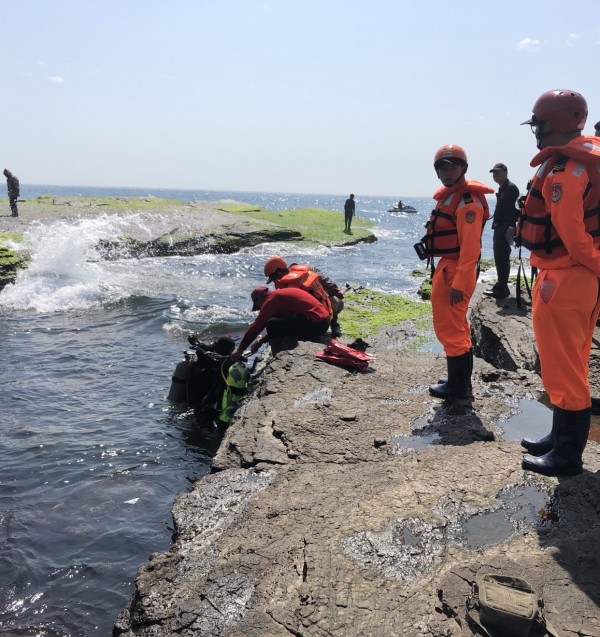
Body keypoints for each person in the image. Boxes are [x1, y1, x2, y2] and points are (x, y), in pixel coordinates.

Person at [518, 89, 600, 476]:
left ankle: (566, 456)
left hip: (567, 276)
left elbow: (572, 232)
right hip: (575, 276)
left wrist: (597, 267)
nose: (537, 132)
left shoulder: (567, 170)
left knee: (563, 364)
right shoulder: (574, 164)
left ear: (563, 123)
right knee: (571, 361)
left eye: (541, 125)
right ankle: (558, 438)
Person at [416, 144, 494, 399]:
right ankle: (457, 379)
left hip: (457, 269)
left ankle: (458, 386)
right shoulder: (451, 196)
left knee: (450, 327)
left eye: (452, 167)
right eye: (442, 168)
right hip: (447, 266)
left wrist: (460, 283)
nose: (446, 172)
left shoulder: (466, 202)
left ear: (463, 168)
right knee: (453, 324)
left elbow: (471, 249)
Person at [230, 286, 330, 361]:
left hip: (316, 323)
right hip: (323, 321)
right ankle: (290, 350)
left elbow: (257, 326)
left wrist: (240, 350)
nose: (260, 309)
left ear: (259, 299)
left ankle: (279, 359)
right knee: (278, 322)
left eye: (258, 306)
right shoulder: (280, 295)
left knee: (271, 324)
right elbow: (287, 323)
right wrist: (262, 340)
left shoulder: (271, 300)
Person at [263, 255, 345, 338]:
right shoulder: (295, 277)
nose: (274, 281)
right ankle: (331, 324)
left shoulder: (297, 281)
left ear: (279, 272)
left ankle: (334, 325)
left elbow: (330, 285)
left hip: (320, 317)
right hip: (322, 315)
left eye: (274, 278)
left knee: (332, 299)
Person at [483, 163, 520, 299]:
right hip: (501, 226)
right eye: (493, 173)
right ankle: (503, 286)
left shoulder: (510, 188)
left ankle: (501, 287)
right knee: (500, 256)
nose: (495, 175)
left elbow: (515, 210)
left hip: (506, 227)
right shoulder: (504, 188)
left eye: (498, 172)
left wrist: (511, 227)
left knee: (502, 256)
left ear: (505, 173)